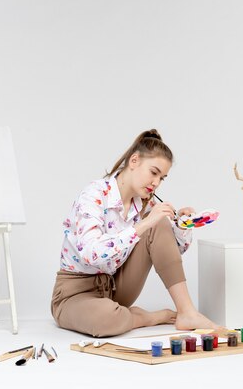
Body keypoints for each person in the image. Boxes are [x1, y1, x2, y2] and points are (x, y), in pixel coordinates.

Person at [51, 129, 218, 337]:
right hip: (74, 294)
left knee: (159, 224)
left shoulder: (145, 204)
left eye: (162, 178)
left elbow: (171, 252)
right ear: (134, 161)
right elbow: (91, 253)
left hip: (115, 287)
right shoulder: (93, 195)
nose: (156, 182)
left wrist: (183, 228)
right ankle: (145, 317)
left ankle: (187, 312)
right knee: (106, 320)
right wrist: (143, 225)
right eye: (154, 172)